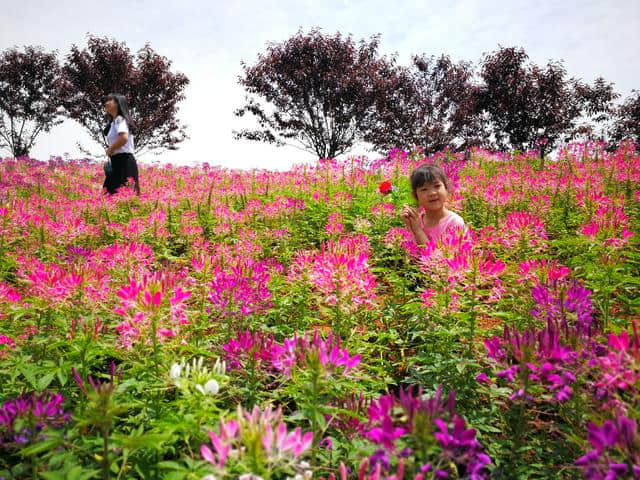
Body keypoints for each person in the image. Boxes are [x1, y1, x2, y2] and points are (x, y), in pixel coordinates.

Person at [400, 164, 465, 245]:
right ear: (415, 196)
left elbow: (436, 257)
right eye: (424, 189)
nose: (432, 193)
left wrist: (417, 230)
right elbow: (413, 253)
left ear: (446, 189)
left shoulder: (454, 223)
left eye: (437, 186)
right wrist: (409, 225)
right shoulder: (417, 221)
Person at [102, 93, 140, 195]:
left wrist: (110, 149)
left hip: (124, 162)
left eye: (110, 100)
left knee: (121, 196)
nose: (106, 103)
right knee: (112, 195)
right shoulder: (114, 122)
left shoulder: (120, 119)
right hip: (118, 162)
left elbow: (124, 138)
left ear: (118, 103)